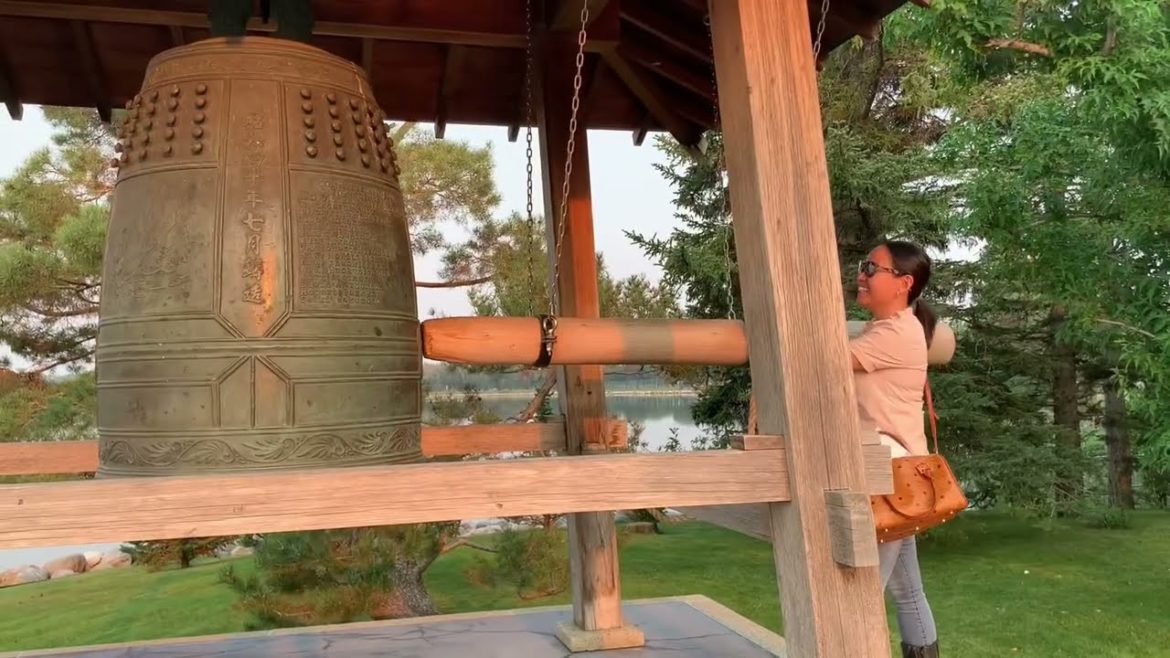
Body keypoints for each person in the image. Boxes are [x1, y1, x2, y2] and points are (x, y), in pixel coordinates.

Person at [849, 239, 939, 658]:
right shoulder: (886, 328)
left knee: (861, 590)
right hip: (900, 475)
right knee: (907, 588)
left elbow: (820, 358)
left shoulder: (896, 333)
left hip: (891, 475)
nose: (861, 274)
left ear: (903, 283)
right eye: (863, 265)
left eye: (872, 268)